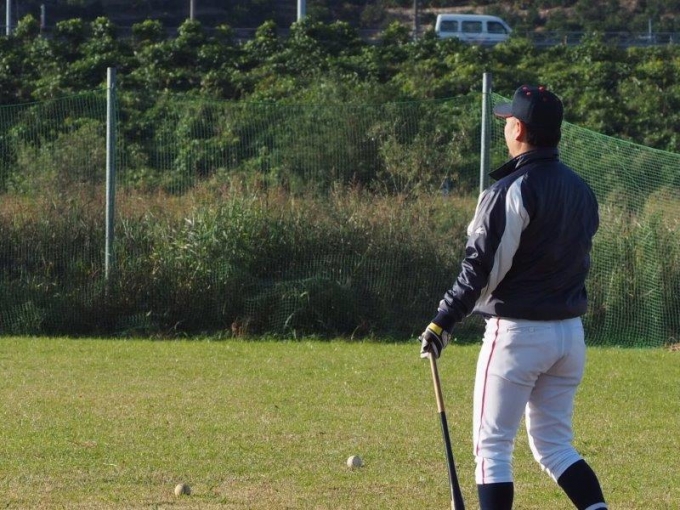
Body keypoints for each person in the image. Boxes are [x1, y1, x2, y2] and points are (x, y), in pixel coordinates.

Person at [419, 85, 607, 510]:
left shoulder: (510, 190)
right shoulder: (582, 189)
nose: (505, 127)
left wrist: (442, 320)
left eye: (507, 121)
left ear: (518, 129)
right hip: (570, 336)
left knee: (492, 448)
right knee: (555, 446)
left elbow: (479, 268)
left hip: (518, 336)